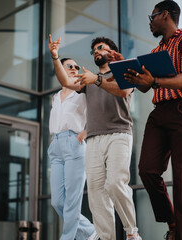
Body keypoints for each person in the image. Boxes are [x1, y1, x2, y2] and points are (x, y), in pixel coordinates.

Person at [123, 1, 182, 239]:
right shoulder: (156, 52)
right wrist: (131, 71)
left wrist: (155, 82)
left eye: (153, 16)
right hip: (159, 113)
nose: (149, 22)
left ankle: (181, 236)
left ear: (165, 15)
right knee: (147, 169)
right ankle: (172, 222)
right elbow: (146, 87)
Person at [48, 34, 142, 240]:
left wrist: (97, 80)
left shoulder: (123, 70)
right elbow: (65, 81)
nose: (96, 52)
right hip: (94, 140)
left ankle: (131, 232)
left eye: (100, 47)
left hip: (119, 134)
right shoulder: (88, 79)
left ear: (111, 50)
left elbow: (124, 91)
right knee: (96, 193)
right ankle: (106, 237)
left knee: (116, 183)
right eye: (94, 50)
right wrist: (55, 57)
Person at [47, 54, 98, 240]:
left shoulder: (81, 92)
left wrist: (84, 133)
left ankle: (67, 237)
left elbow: (97, 112)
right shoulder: (56, 97)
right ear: (60, 69)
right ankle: (90, 231)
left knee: (72, 202)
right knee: (57, 201)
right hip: (56, 146)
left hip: (73, 144)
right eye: (70, 66)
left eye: (76, 67)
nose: (74, 69)